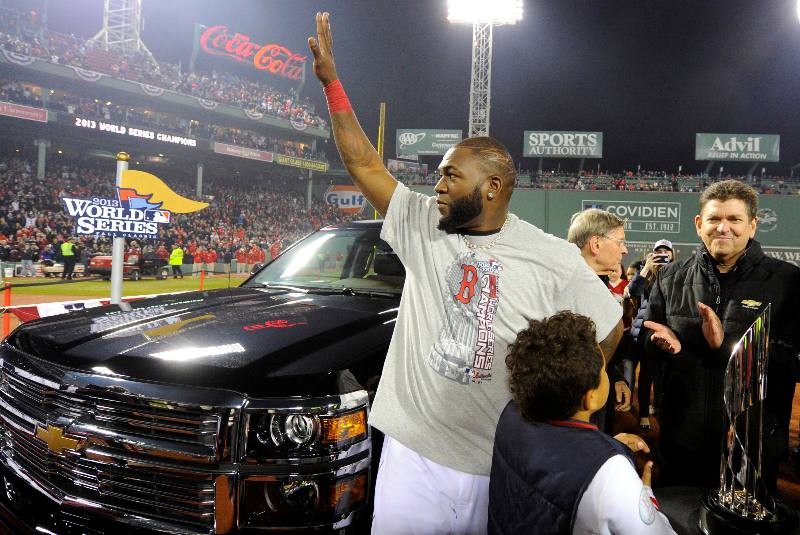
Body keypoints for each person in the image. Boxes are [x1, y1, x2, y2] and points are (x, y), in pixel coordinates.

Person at [308, 13, 623, 533]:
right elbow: (364, 164)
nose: (438, 186)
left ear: (493, 187)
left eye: (451, 176)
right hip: (411, 452)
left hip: (497, 459)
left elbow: (608, 325)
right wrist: (332, 85)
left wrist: (563, 393)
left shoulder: (552, 256)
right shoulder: (421, 225)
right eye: (438, 175)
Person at [642, 180, 800, 491]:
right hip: (681, 440)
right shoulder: (671, 277)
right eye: (714, 219)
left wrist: (725, 347)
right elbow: (650, 346)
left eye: (734, 219)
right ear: (699, 225)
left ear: (752, 226)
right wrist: (664, 346)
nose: (722, 228)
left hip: (751, 443)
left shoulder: (787, 282)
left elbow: (794, 362)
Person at [488, 311, 675, 534]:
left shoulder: (511, 413)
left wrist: (606, 447)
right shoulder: (613, 474)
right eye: (604, 370)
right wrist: (645, 497)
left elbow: (551, 459)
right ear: (590, 397)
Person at [626, 240, 674, 430]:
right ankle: (644, 414)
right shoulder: (646, 274)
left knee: (664, 375)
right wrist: (646, 268)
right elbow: (633, 291)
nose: (662, 254)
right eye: (658, 252)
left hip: (668, 330)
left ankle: (660, 409)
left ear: (672, 255)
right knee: (646, 373)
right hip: (645, 330)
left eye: (666, 252)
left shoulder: (678, 273)